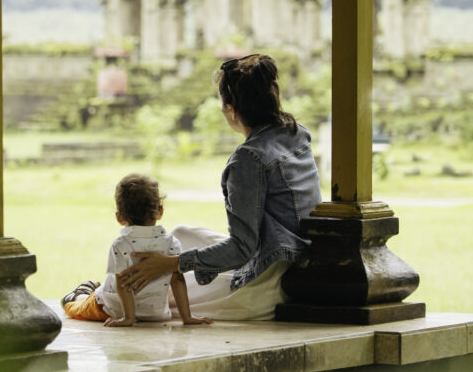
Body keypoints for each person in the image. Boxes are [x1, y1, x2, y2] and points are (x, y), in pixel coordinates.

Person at [118, 54, 322, 320]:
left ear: (231, 109)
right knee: (180, 235)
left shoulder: (248, 159)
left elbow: (242, 248)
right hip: (293, 259)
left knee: (171, 305)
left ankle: (103, 297)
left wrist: (171, 264)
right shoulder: (295, 131)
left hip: (270, 284)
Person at [61, 173, 212, 327]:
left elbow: (122, 285)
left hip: (112, 309)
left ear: (119, 217)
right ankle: (89, 288)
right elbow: (178, 280)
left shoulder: (120, 245)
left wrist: (128, 318)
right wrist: (187, 317)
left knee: (77, 308)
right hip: (155, 314)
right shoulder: (172, 244)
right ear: (160, 211)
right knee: (99, 292)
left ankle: (80, 294)